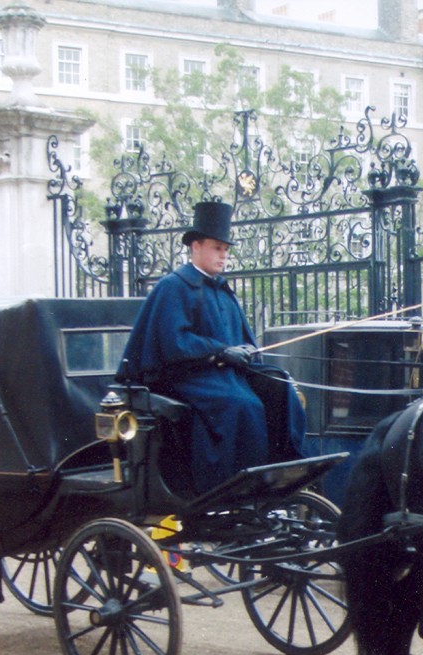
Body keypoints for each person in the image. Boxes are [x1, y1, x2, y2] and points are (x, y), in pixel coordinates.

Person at [116, 200, 305, 494]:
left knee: (279, 386)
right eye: (217, 248)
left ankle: (282, 471)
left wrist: (245, 353)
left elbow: (241, 337)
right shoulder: (173, 286)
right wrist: (219, 351)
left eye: (226, 249)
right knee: (243, 405)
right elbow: (173, 343)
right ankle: (230, 487)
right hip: (185, 376)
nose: (223, 255)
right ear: (196, 247)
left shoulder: (221, 289)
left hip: (224, 374)